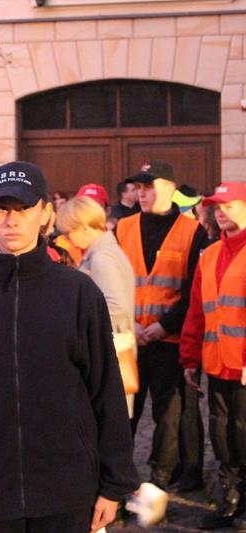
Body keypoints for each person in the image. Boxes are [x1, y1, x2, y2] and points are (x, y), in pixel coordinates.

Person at [0, 161, 138, 533]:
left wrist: (114, 482)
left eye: (23, 208)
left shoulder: (78, 292)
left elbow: (106, 389)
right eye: (3, 208)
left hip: (66, 489)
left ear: (45, 213)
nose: (12, 220)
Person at [116, 160, 207, 491]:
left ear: (169, 189)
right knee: (123, 413)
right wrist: (132, 325)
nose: (141, 194)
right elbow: (115, 283)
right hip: (130, 338)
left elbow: (194, 290)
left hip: (169, 340)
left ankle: (162, 478)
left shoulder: (192, 232)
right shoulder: (123, 228)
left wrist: (163, 325)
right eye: (138, 188)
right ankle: (119, 477)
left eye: (148, 187)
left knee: (169, 416)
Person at [180, 182, 246, 529]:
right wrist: (190, 358)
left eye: (229, 205)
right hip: (217, 361)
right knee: (222, 431)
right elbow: (197, 311)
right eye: (217, 207)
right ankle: (230, 498)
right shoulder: (209, 255)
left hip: (242, 364)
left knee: (243, 430)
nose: (221, 212)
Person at [56, 196, 137, 416]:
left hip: (107, 355)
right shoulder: (105, 252)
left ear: (83, 228)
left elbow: (115, 308)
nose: (68, 239)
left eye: (69, 233)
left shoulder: (102, 257)